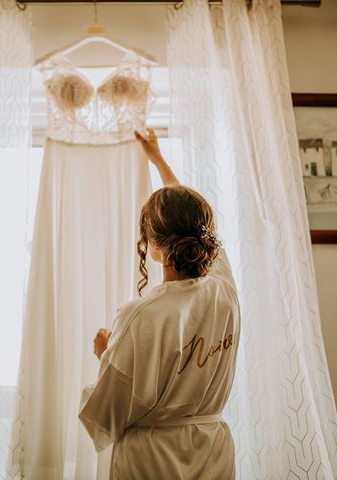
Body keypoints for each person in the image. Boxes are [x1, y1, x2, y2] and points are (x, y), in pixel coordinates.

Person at [78, 129, 241, 479]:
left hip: (152, 459)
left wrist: (105, 354)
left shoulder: (140, 315)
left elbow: (107, 413)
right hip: (213, 453)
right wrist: (158, 160)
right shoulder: (224, 289)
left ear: (152, 244)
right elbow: (192, 218)